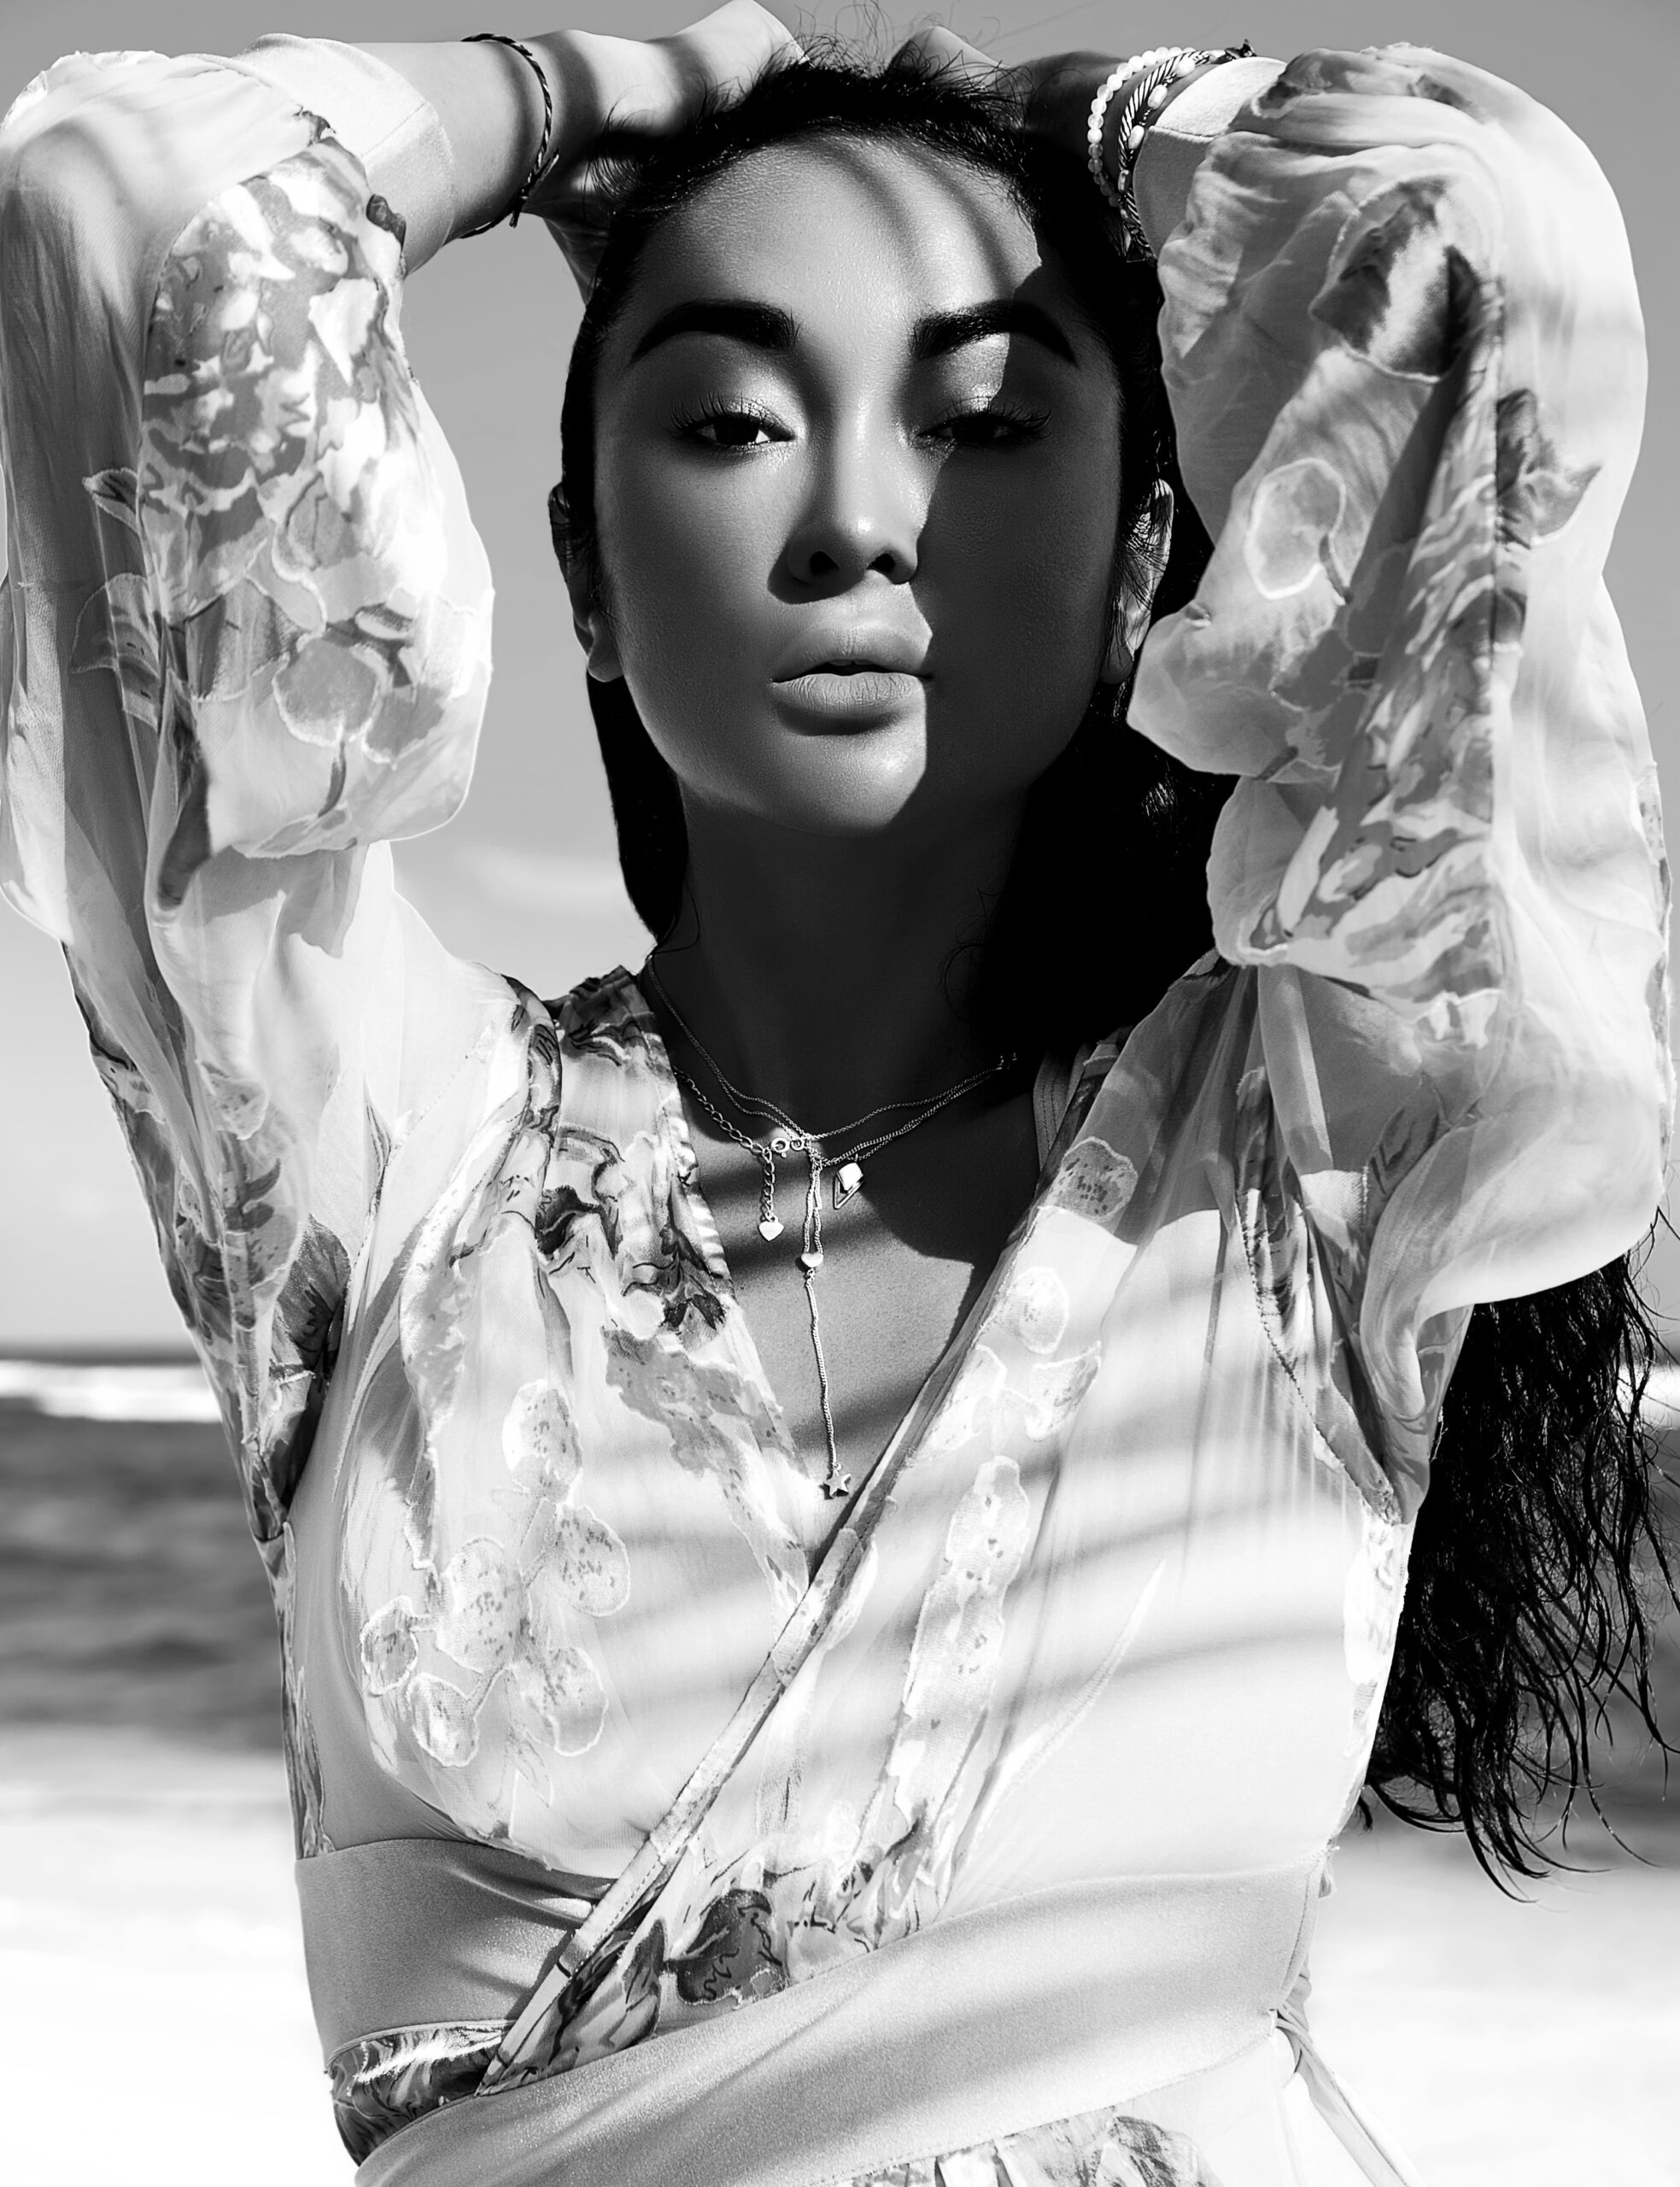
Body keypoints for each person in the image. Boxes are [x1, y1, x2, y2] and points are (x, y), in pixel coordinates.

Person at [0, 9, 1671, 2183]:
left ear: (1149, 557)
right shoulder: (373, 1151)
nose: (863, 519)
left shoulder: (1309, 1141)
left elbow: (1477, 242)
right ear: (588, 570)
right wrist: (635, 84)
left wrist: (1074, 121)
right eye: (733, 417)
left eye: (982, 420)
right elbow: (116, 215)